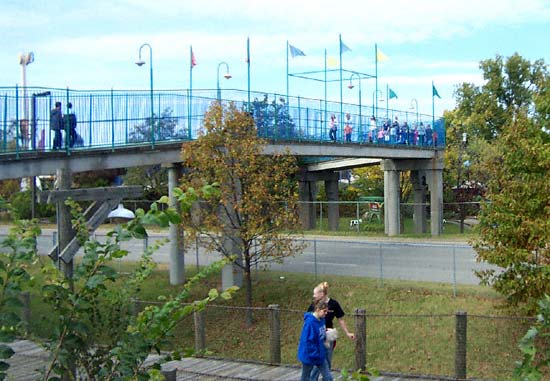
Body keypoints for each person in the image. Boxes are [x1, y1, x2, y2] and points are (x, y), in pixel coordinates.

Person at [307, 282, 354, 380]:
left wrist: (347, 333)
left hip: (329, 336)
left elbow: (340, 319)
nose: (314, 296)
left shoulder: (333, 304)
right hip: (318, 336)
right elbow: (309, 320)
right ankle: (312, 378)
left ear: (322, 294)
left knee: (327, 361)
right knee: (319, 359)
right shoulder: (314, 305)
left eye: (315, 294)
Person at [298, 300, 333, 381]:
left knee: (328, 377)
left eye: (327, 311)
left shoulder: (322, 320)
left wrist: (326, 339)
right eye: (324, 311)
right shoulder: (309, 324)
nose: (326, 313)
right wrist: (315, 354)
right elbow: (307, 342)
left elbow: (321, 334)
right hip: (309, 355)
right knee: (306, 377)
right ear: (317, 309)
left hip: (320, 354)